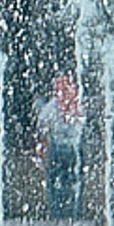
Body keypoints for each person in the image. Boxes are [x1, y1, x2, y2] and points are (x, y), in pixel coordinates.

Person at [38, 73, 85, 218]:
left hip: (66, 147)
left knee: (64, 180)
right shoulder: (59, 106)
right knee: (64, 180)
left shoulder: (62, 105)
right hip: (65, 147)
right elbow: (43, 130)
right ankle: (65, 213)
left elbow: (42, 125)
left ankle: (66, 212)